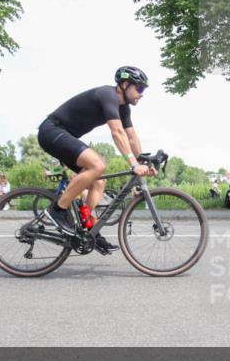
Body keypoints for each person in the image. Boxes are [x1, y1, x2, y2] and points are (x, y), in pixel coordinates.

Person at [37, 67, 157, 253]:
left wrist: (143, 161)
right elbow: (117, 132)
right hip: (52, 131)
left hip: (65, 136)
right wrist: (133, 164)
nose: (142, 94)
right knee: (98, 165)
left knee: (99, 182)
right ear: (125, 85)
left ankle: (89, 230)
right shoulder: (108, 95)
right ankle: (58, 210)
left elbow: (131, 137)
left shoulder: (123, 108)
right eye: (140, 88)